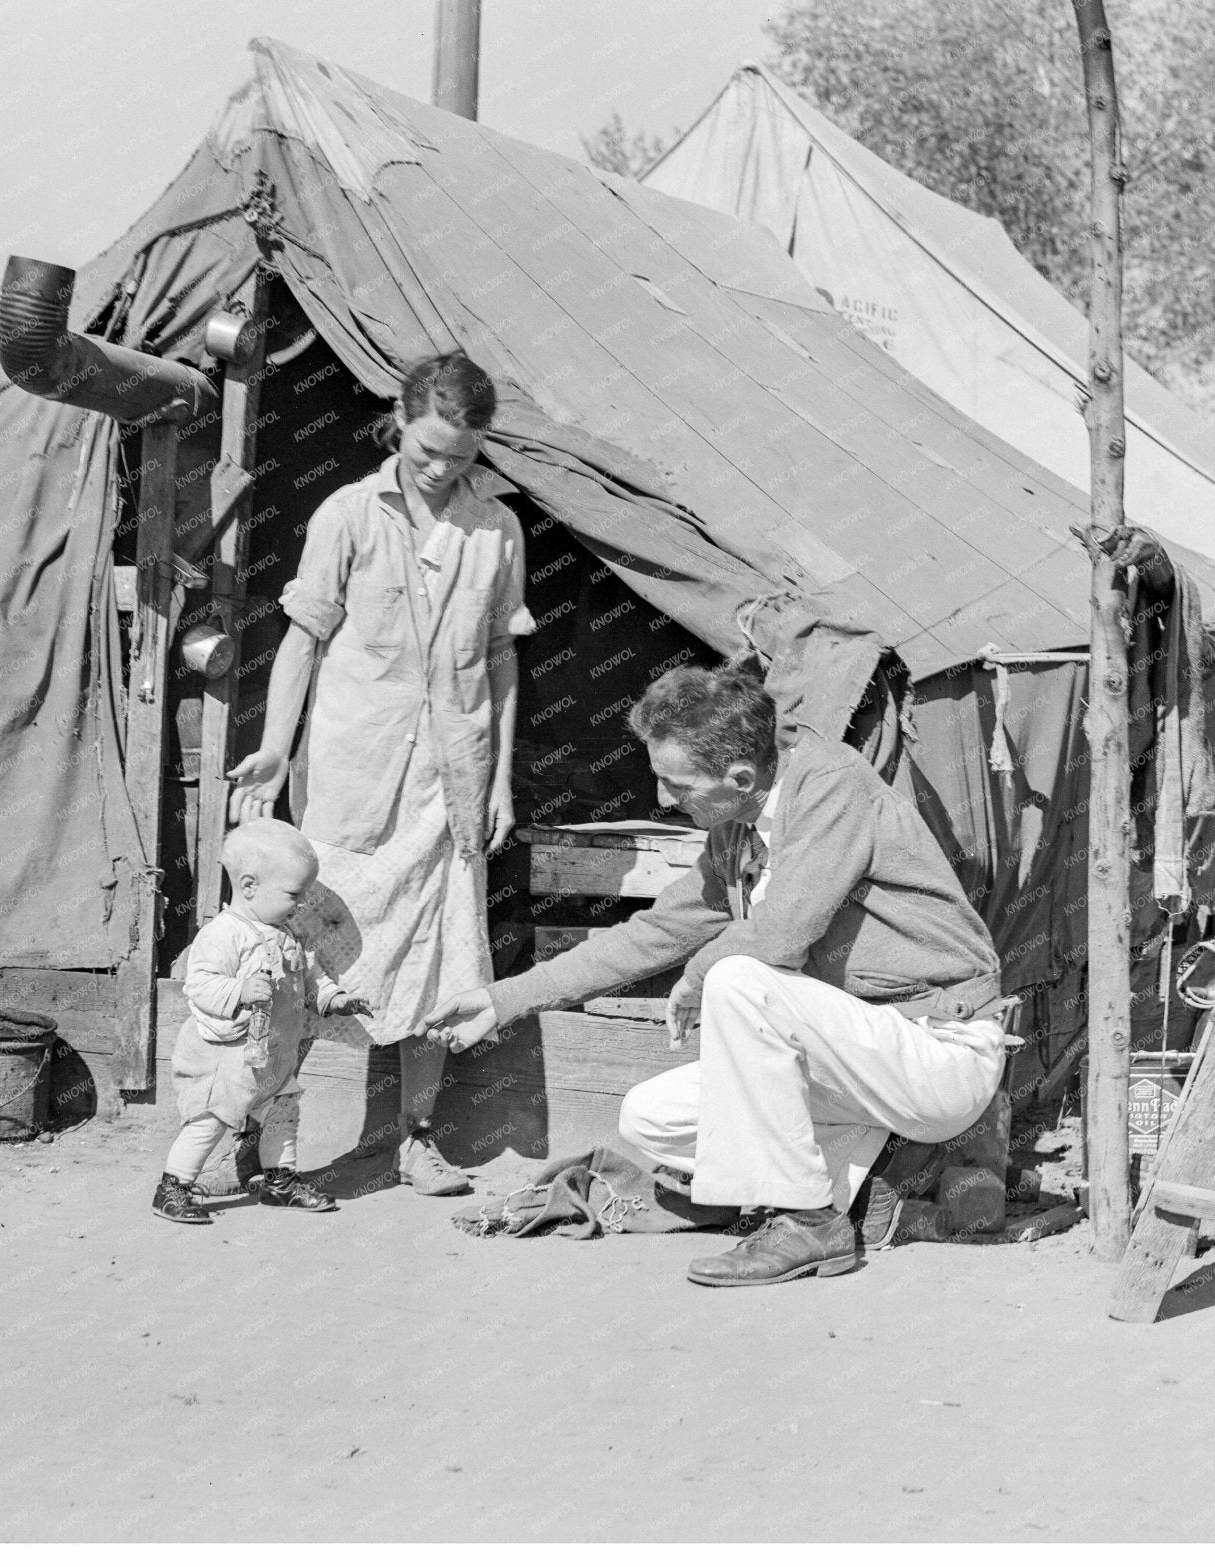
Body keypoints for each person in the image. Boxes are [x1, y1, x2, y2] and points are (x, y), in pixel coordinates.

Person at [424, 663, 1008, 1287]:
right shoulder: (736, 830)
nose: (663, 800)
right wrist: (503, 998)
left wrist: (699, 974)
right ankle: (880, 1180)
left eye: (676, 784)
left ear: (740, 777)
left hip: (936, 1051)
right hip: (860, 1067)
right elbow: (653, 933)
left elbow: (779, 935)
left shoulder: (832, 785)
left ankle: (810, 1221)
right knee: (650, 1117)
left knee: (738, 977)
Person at [227, 353, 531, 1198]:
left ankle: (412, 1138)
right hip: (355, 775)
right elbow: (304, 637)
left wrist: (499, 777)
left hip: (451, 784)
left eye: (461, 458)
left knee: (435, 962)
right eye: (428, 449)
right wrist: (277, 745)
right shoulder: (348, 514)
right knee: (313, 960)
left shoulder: (497, 529)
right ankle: (263, 1134)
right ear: (398, 422)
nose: (440, 470)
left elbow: (502, 654)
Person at [153, 820, 372, 1225]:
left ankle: (280, 1183)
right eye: (295, 894)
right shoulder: (224, 934)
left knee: (283, 1114)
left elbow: (310, 977)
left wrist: (334, 998)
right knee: (211, 1121)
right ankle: (173, 1187)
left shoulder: (287, 933)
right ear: (249, 885)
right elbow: (198, 985)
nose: (303, 903)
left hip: (273, 1057)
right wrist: (239, 991)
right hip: (230, 1059)